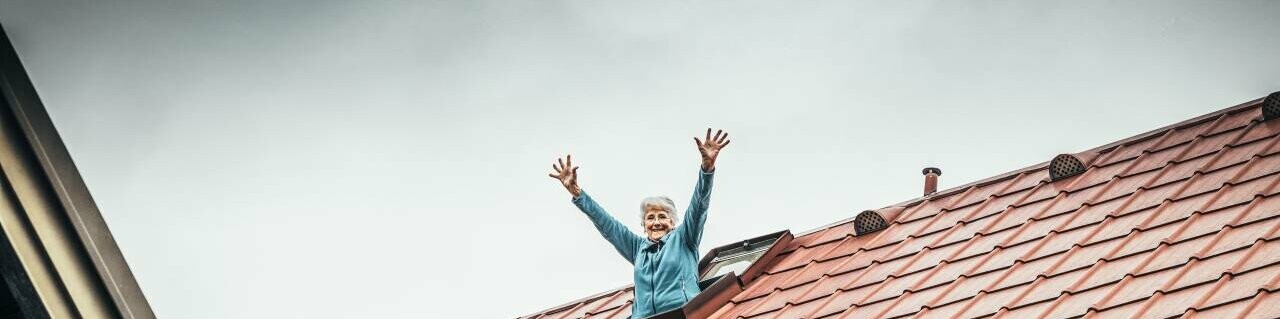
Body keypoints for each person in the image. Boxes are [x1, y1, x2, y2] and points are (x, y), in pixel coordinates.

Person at [548, 128, 731, 319]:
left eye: (662, 216)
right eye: (650, 218)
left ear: (672, 221)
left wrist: (707, 170)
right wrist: (577, 193)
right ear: (644, 225)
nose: (656, 222)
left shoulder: (684, 238)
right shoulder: (638, 248)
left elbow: (699, 204)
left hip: (680, 314)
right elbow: (607, 225)